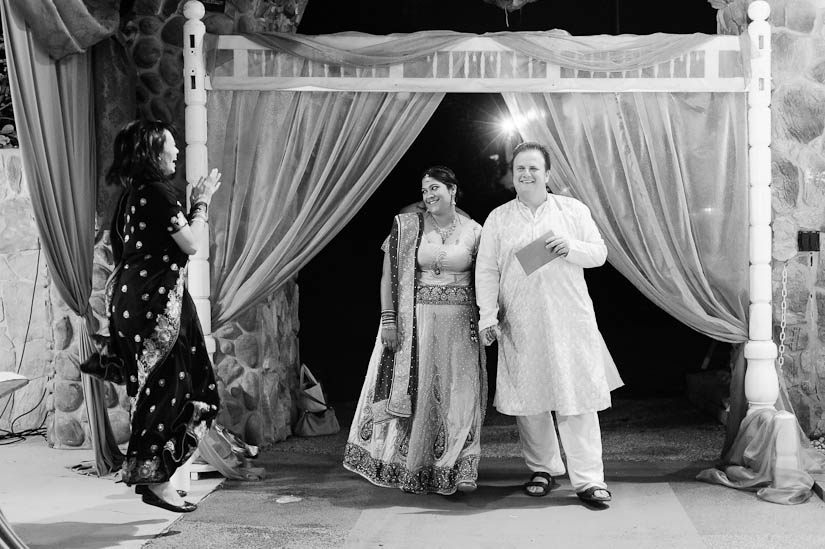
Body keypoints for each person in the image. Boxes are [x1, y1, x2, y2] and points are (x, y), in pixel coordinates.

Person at [474, 142, 623, 505]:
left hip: (568, 318)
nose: (526, 174)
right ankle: (543, 467)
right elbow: (488, 269)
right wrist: (488, 315)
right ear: (513, 173)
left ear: (547, 174)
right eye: (520, 168)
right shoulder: (499, 217)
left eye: (533, 168)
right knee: (531, 399)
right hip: (521, 320)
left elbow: (599, 254)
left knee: (576, 397)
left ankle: (588, 478)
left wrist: (568, 246)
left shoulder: (572, 210)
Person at [343, 166, 487, 495]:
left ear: (453, 190)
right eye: (424, 190)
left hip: (460, 324)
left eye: (435, 188)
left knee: (460, 393)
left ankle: (460, 465)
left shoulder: (475, 230)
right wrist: (389, 320)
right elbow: (387, 276)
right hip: (417, 324)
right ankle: (416, 465)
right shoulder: (408, 226)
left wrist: (489, 319)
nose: (428, 195)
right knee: (421, 395)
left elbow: (491, 274)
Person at [104, 119, 222, 513]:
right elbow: (190, 244)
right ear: (152, 152)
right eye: (170, 146)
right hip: (155, 306)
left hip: (140, 300)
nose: (177, 152)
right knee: (172, 391)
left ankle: (156, 473)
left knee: (168, 389)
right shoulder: (156, 193)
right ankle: (155, 478)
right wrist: (201, 204)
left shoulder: (131, 195)